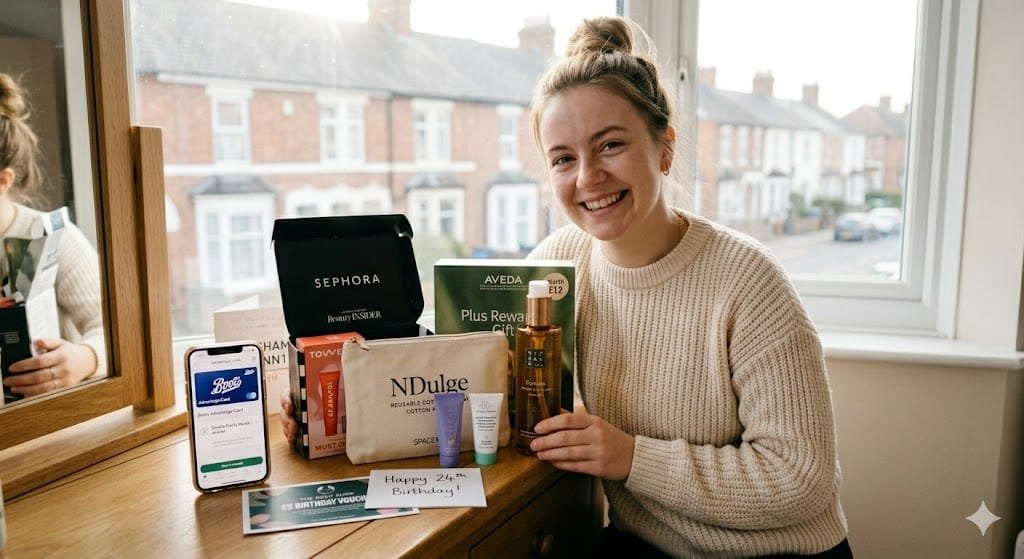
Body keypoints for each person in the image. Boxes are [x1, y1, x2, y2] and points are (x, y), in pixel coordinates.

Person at [280, 16, 851, 557]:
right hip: (645, 547)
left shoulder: (750, 282)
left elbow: (799, 480)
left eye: (610, 145)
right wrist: (342, 399)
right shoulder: (556, 267)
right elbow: (473, 384)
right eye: (562, 158)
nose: (587, 178)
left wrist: (630, 458)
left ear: (666, 147)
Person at [0, 72, 105, 398]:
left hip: (51, 423)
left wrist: (85, 359)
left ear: (3, 180)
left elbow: (118, 328)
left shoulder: (51, 237)